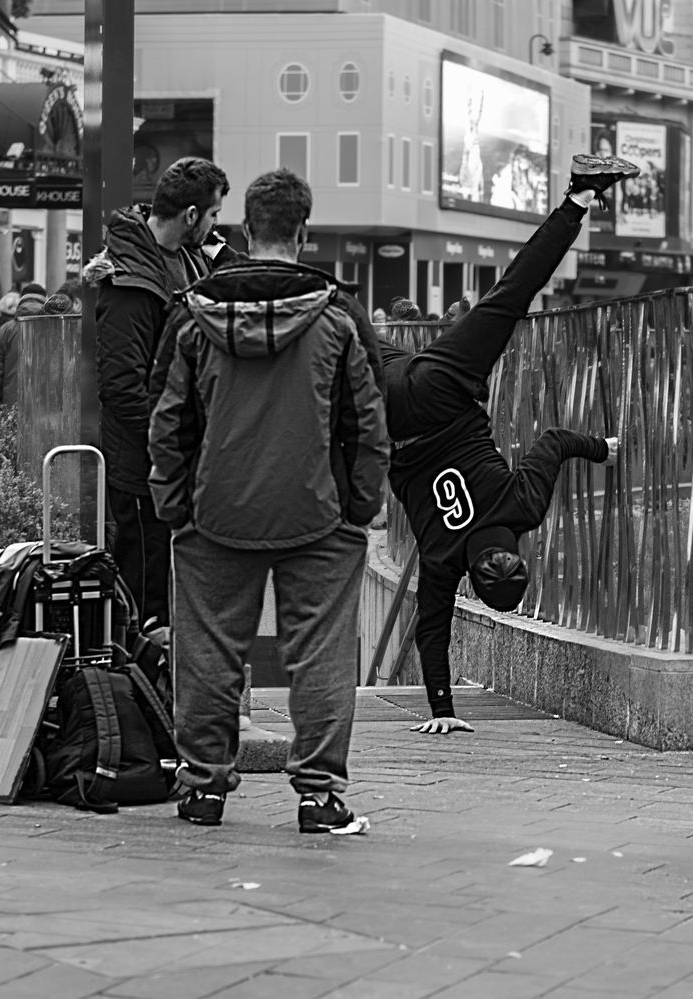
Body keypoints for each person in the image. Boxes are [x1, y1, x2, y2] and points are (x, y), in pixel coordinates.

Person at [149, 167, 388, 830]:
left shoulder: (195, 314)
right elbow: (367, 422)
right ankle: (319, 795)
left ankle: (203, 788)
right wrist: (359, 506)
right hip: (318, 515)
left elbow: (166, 419)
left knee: (207, 651)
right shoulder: (337, 314)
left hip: (215, 512)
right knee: (321, 653)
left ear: (246, 230)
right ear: (303, 232)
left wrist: (176, 504)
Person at [378, 153, 638, 734]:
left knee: (511, 295)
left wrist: (603, 447)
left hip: (443, 387)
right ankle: (231, 262)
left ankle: (579, 196)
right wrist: (441, 711)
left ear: (518, 561)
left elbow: (552, 441)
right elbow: (432, 627)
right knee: (328, 335)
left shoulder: (522, 509)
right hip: (396, 412)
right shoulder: (445, 562)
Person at [83, 156, 231, 634]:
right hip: (144, 472)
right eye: (211, 216)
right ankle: (139, 700)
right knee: (147, 604)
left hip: (175, 464)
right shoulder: (130, 285)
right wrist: (173, 444)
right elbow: (122, 390)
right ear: (191, 216)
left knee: (173, 599)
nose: (214, 227)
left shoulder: (186, 263)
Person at [0, 283, 46, 409]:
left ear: (21, 300)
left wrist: (0, 400)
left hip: (12, 405)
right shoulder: (53, 329)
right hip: (45, 405)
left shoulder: (6, 330)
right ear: (45, 301)